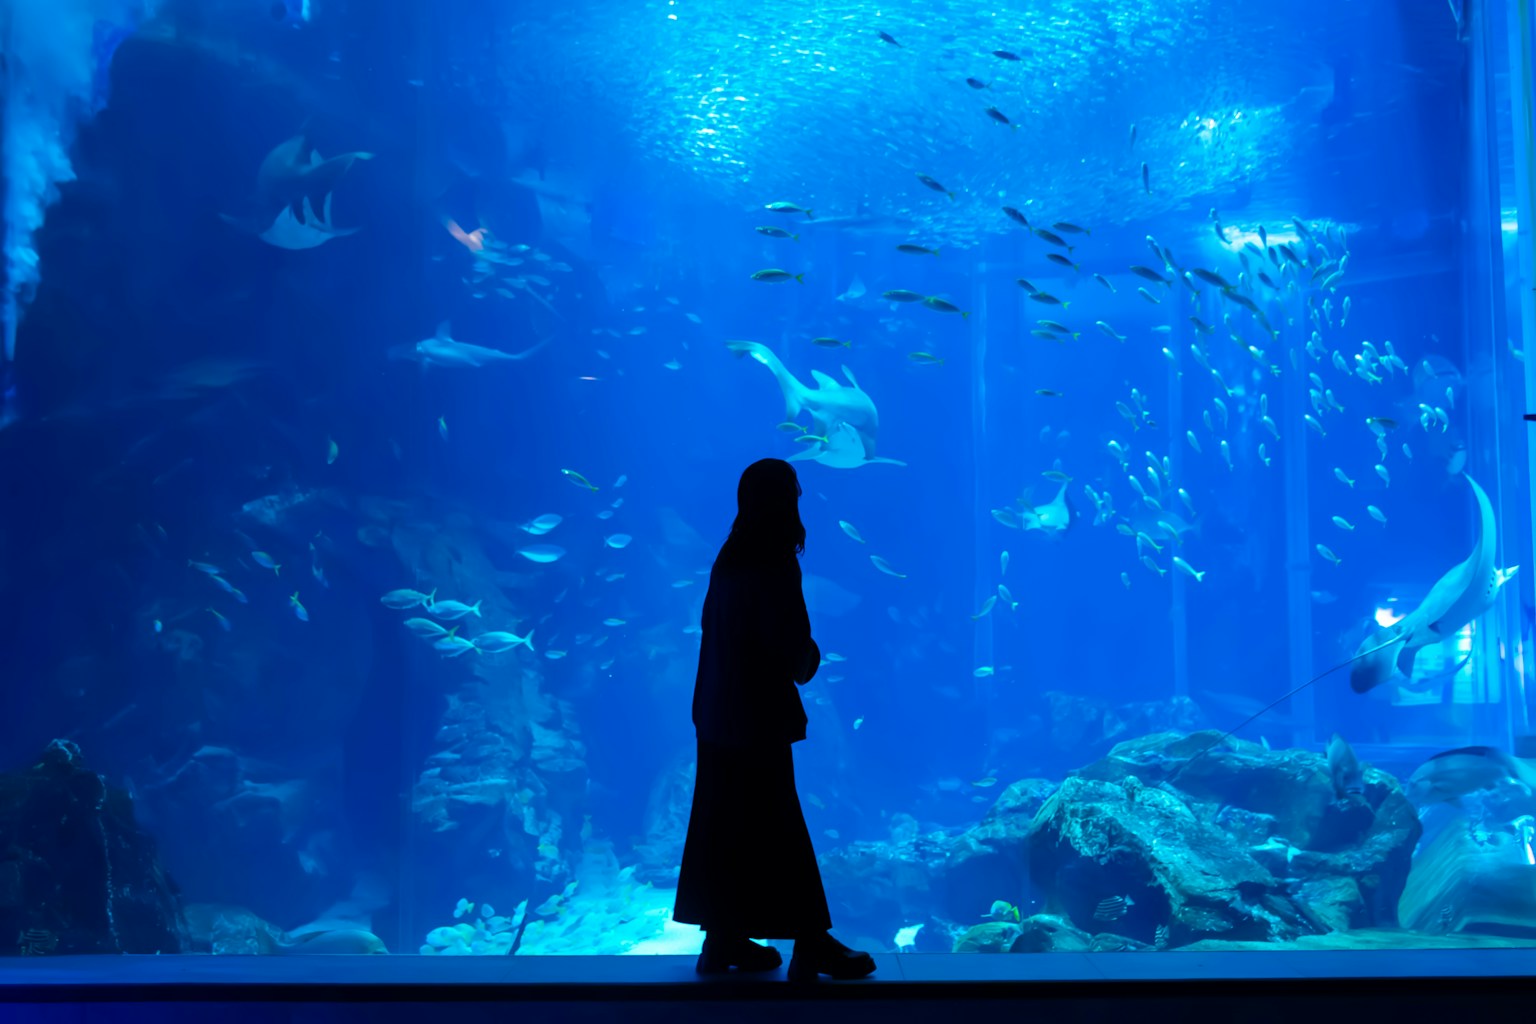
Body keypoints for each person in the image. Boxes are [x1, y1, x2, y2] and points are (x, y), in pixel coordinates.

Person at [673, 458, 877, 983]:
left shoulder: (731, 553)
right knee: (779, 823)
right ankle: (811, 941)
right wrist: (809, 658)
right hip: (755, 716)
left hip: (717, 713)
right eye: (794, 496)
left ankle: (723, 937)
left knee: (723, 824)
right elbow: (789, 647)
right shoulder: (772, 558)